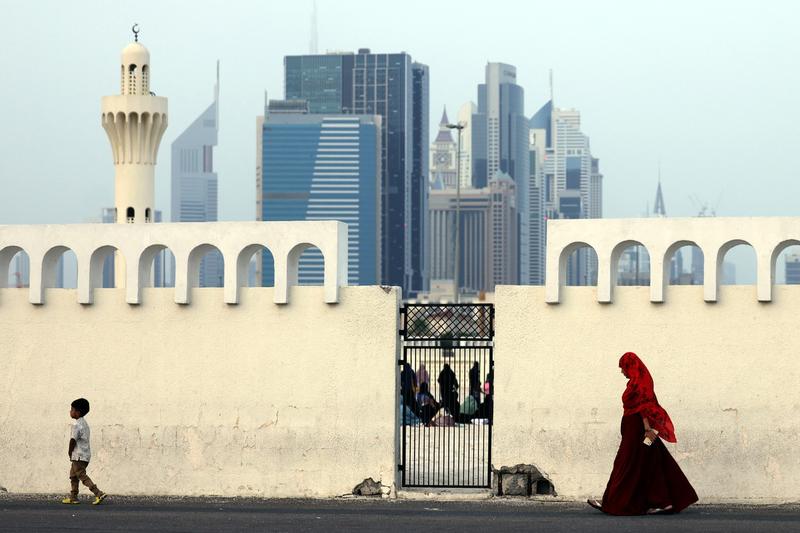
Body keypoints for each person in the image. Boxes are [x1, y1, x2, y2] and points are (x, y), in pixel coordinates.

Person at [588, 352, 697, 515]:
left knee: (625, 463)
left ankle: (615, 502)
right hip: (633, 429)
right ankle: (664, 502)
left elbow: (644, 408)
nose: (621, 372)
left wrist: (648, 430)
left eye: (623, 368)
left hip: (637, 430)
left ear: (630, 366)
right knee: (652, 460)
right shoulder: (637, 382)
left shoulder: (638, 384)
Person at [62, 398, 107, 505]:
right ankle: (73, 497)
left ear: (77, 412)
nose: (70, 411)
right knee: (73, 476)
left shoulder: (77, 425)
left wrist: (69, 452)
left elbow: (73, 440)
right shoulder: (85, 424)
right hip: (85, 456)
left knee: (82, 476)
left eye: (72, 409)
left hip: (78, 456)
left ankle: (98, 493)